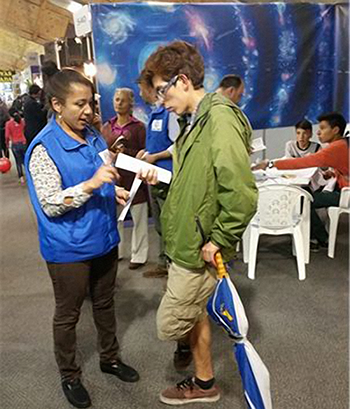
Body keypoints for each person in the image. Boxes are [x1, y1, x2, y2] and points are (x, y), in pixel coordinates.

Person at [140, 41, 258, 405]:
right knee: (193, 315)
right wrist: (160, 184)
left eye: (163, 89)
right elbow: (194, 185)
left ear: (184, 79)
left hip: (199, 248)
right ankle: (204, 383)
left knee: (170, 324)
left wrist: (220, 239)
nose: (160, 100)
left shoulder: (219, 118)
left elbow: (241, 193)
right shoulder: (195, 122)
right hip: (186, 244)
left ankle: (204, 382)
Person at [24, 69, 139, 409]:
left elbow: (102, 174)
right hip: (68, 247)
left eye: (91, 102)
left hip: (103, 236)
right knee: (68, 314)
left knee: (105, 304)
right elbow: (51, 203)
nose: (88, 111)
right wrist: (91, 185)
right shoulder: (43, 148)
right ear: (57, 105)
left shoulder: (92, 136)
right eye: (79, 104)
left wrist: (111, 189)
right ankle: (70, 375)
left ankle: (110, 358)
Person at [254, 112, 349, 252]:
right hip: (342, 189)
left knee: (304, 200)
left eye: (322, 128)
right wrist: (334, 173)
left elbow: (304, 162)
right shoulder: (343, 144)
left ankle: (322, 239)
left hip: (345, 194)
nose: (318, 132)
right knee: (307, 196)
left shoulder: (335, 147)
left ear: (335, 130)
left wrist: (270, 164)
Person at [137, 71, 179, 279]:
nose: (140, 92)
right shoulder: (154, 112)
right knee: (160, 223)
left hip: (166, 174)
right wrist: (145, 154)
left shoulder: (170, 113)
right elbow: (155, 141)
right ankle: (164, 262)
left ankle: (173, 268)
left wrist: (155, 157)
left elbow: (177, 146)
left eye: (141, 88)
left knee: (169, 223)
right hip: (153, 173)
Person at [102, 88, 149, 270]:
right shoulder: (107, 127)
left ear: (131, 103)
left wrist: (127, 152)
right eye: (116, 99)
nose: (118, 103)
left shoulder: (138, 127)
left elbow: (144, 152)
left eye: (122, 100)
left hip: (135, 179)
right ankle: (118, 251)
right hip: (115, 179)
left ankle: (139, 255)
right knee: (115, 219)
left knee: (140, 219)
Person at [5, 108, 26, 184]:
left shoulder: (8, 124)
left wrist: (7, 144)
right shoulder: (22, 121)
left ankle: (21, 177)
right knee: (25, 160)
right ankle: (29, 173)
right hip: (23, 142)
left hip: (15, 144)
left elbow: (7, 136)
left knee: (18, 161)